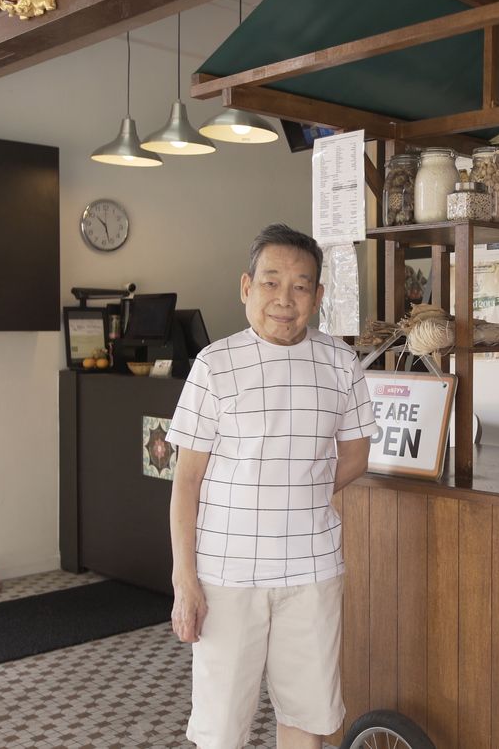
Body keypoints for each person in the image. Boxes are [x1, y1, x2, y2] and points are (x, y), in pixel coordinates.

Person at [165, 223, 377, 749]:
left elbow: (355, 454)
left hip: (312, 569)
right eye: (271, 282)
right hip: (227, 573)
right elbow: (186, 480)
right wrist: (184, 578)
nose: (285, 299)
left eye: (301, 286)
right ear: (246, 287)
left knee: (306, 717)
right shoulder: (214, 365)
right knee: (222, 727)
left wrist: (296, 488)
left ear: (318, 296)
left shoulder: (341, 363)